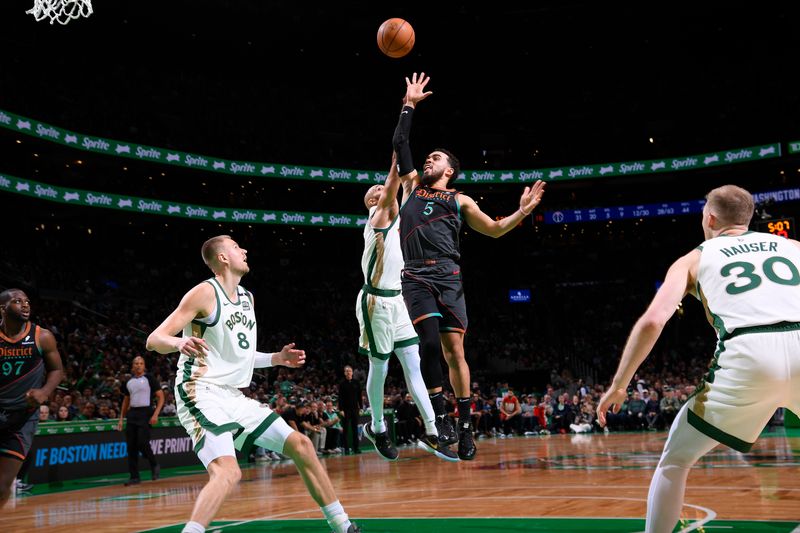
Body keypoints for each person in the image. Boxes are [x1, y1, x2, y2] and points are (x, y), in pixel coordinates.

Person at [597, 185, 800, 533]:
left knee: (675, 461)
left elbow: (652, 320)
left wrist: (619, 385)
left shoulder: (695, 257)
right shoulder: (794, 247)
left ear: (709, 218)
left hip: (748, 352)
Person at [146, 235, 360, 533]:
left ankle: (343, 525)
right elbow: (154, 340)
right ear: (222, 258)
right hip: (199, 390)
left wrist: (276, 359)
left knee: (301, 444)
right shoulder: (204, 293)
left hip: (232, 395)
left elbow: (241, 356)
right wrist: (177, 343)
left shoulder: (247, 298)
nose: (244, 250)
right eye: (236, 247)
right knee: (228, 472)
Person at [392, 72, 547, 460]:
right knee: (427, 343)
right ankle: (441, 417)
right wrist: (409, 104)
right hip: (415, 275)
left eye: (436, 157)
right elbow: (399, 142)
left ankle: (464, 426)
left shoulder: (460, 199)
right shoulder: (411, 185)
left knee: (454, 353)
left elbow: (494, 231)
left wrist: (522, 213)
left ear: (449, 170)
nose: (428, 158)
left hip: (449, 275)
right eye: (428, 156)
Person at [357, 153, 458, 462]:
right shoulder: (379, 217)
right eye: (372, 191)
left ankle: (432, 430)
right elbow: (393, 187)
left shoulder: (401, 215)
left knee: (414, 364)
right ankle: (376, 427)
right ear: (370, 202)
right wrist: (396, 160)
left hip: (399, 299)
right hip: (376, 300)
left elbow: (405, 187)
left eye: (379, 188)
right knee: (381, 366)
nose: (378, 190)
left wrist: (406, 168)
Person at [0, 289, 64, 508]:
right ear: (3, 309)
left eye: (27, 301)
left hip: (23, 417)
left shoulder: (42, 336)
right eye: (18, 302)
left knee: (3, 485)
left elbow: (56, 370)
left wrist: (44, 392)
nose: (25, 305)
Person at [118, 355, 165, 486]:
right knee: (131, 447)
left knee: (142, 442)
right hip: (132, 414)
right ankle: (134, 477)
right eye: (136, 363)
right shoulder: (129, 382)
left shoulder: (150, 378)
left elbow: (161, 397)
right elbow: (126, 401)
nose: (138, 365)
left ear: (144, 366)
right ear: (133, 367)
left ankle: (154, 464)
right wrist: (121, 418)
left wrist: (155, 414)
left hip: (146, 413)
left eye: (141, 363)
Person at [337, 365, 362, 455]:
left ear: (352, 372)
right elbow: (340, 398)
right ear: (344, 373)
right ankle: (346, 449)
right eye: (346, 371)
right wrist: (341, 409)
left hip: (355, 409)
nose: (348, 372)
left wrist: (361, 407)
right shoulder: (342, 384)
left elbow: (359, 396)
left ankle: (356, 448)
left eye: (350, 371)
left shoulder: (356, 382)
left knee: (355, 429)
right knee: (346, 430)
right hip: (345, 410)